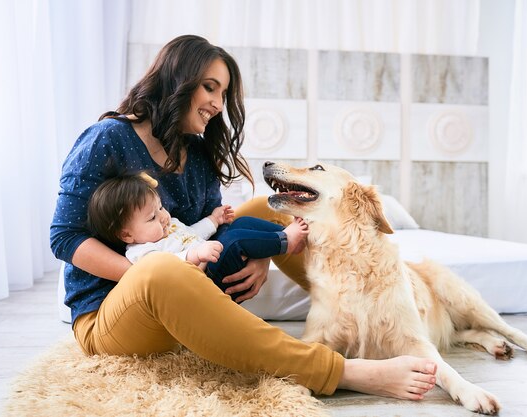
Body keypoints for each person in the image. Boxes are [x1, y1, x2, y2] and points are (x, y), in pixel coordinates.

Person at [50, 34, 437, 399]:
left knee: (271, 208)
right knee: (162, 271)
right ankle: (342, 372)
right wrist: (150, 271)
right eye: (210, 87)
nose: (218, 104)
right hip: (111, 313)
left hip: (187, 293)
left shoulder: (198, 153)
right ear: (177, 80)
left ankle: (371, 312)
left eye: (224, 93)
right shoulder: (107, 138)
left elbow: (218, 230)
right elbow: (64, 238)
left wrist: (262, 255)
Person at [86, 171, 309, 301]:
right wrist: (195, 254)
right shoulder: (140, 252)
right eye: (152, 217)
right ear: (127, 235)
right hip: (204, 281)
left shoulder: (168, 226)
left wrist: (214, 220)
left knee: (240, 223)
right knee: (234, 241)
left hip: (212, 259)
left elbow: (191, 233)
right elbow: (165, 267)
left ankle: (284, 237)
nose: (163, 217)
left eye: (161, 208)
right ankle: (285, 241)